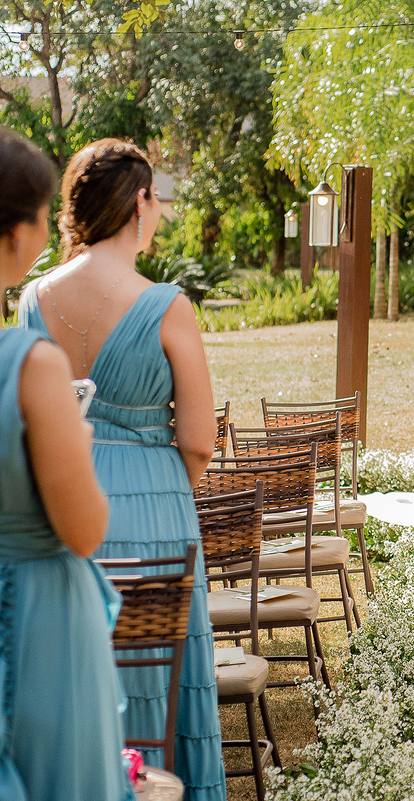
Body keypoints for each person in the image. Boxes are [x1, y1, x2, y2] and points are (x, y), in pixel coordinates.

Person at [17, 140, 224, 799]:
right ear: (139, 202)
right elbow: (198, 440)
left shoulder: (32, 299)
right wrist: (163, 489)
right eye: (156, 199)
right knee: (164, 677)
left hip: (56, 510)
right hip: (157, 507)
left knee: (74, 675)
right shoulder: (167, 304)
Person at [0, 128, 133, 801]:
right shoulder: (29, 366)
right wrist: (74, 444)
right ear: (18, 234)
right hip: (37, 619)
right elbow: (84, 529)